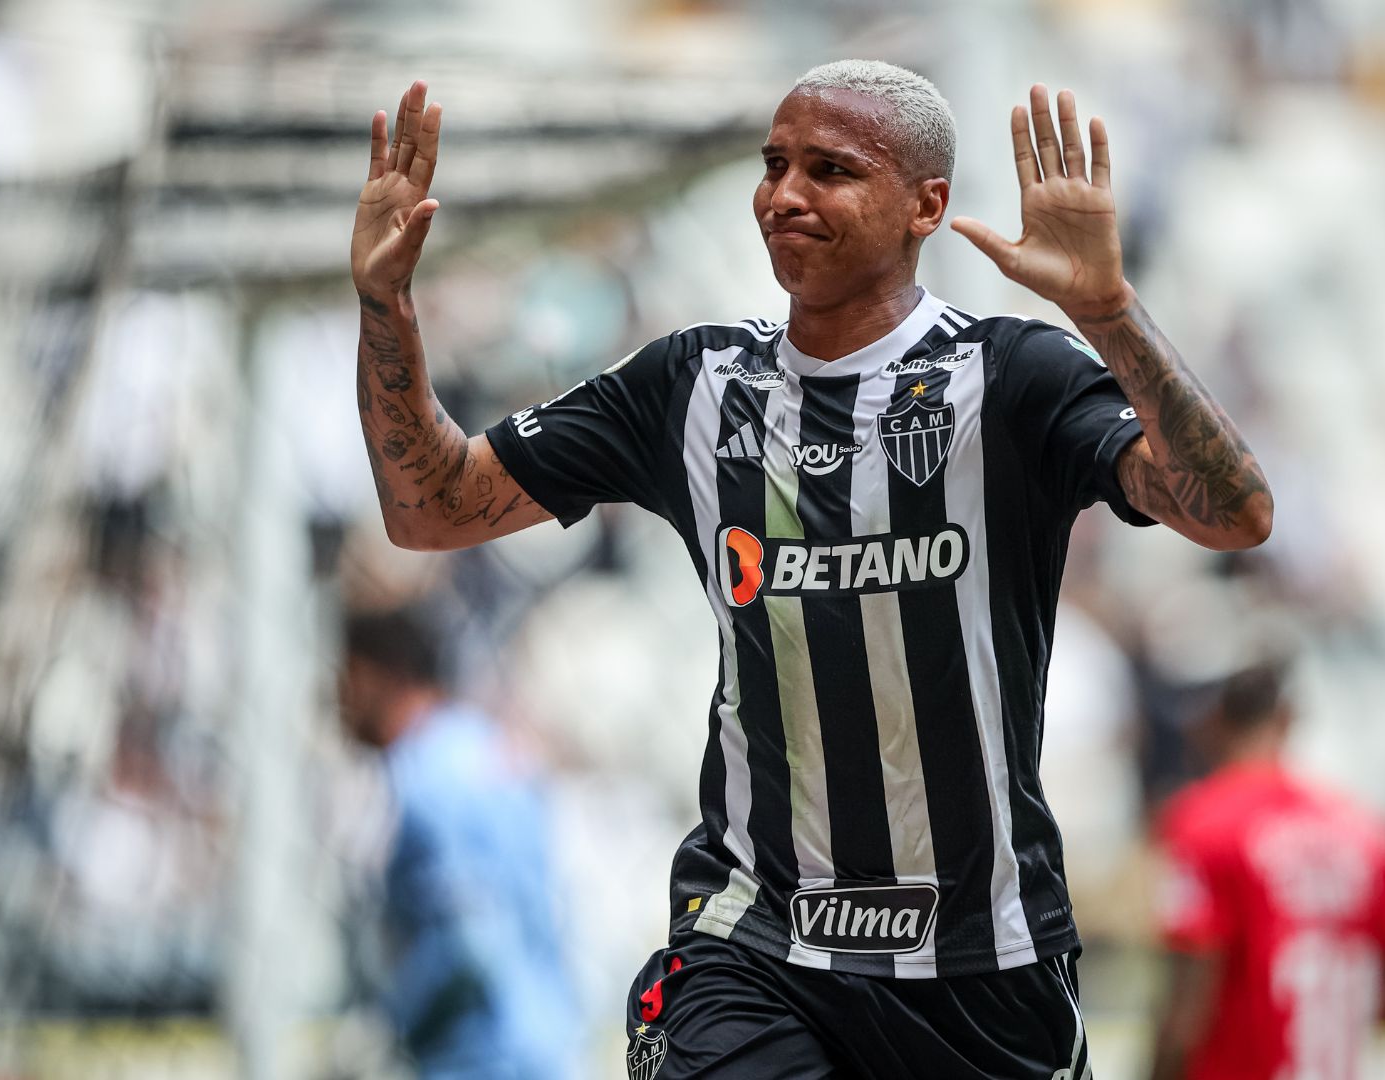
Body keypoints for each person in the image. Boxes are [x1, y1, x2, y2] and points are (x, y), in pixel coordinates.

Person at [353, 59, 1273, 1079]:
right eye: (773, 164)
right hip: (755, 942)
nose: (784, 195)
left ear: (926, 206)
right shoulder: (690, 384)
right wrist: (387, 304)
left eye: (830, 170)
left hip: (981, 958)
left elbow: (1235, 512)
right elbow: (431, 508)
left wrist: (1108, 312)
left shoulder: (1011, 377)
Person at [1147, 660, 1385, 1080]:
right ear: (1288, 720)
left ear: (1209, 724)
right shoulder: (1369, 831)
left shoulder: (1202, 823)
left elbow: (1187, 1007)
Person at [335, 606, 579, 1078]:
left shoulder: (426, 780)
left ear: (379, 677)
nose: (340, 704)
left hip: (476, 1054)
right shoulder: (485, 747)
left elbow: (469, 937)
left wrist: (392, 1020)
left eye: (348, 681)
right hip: (544, 1039)